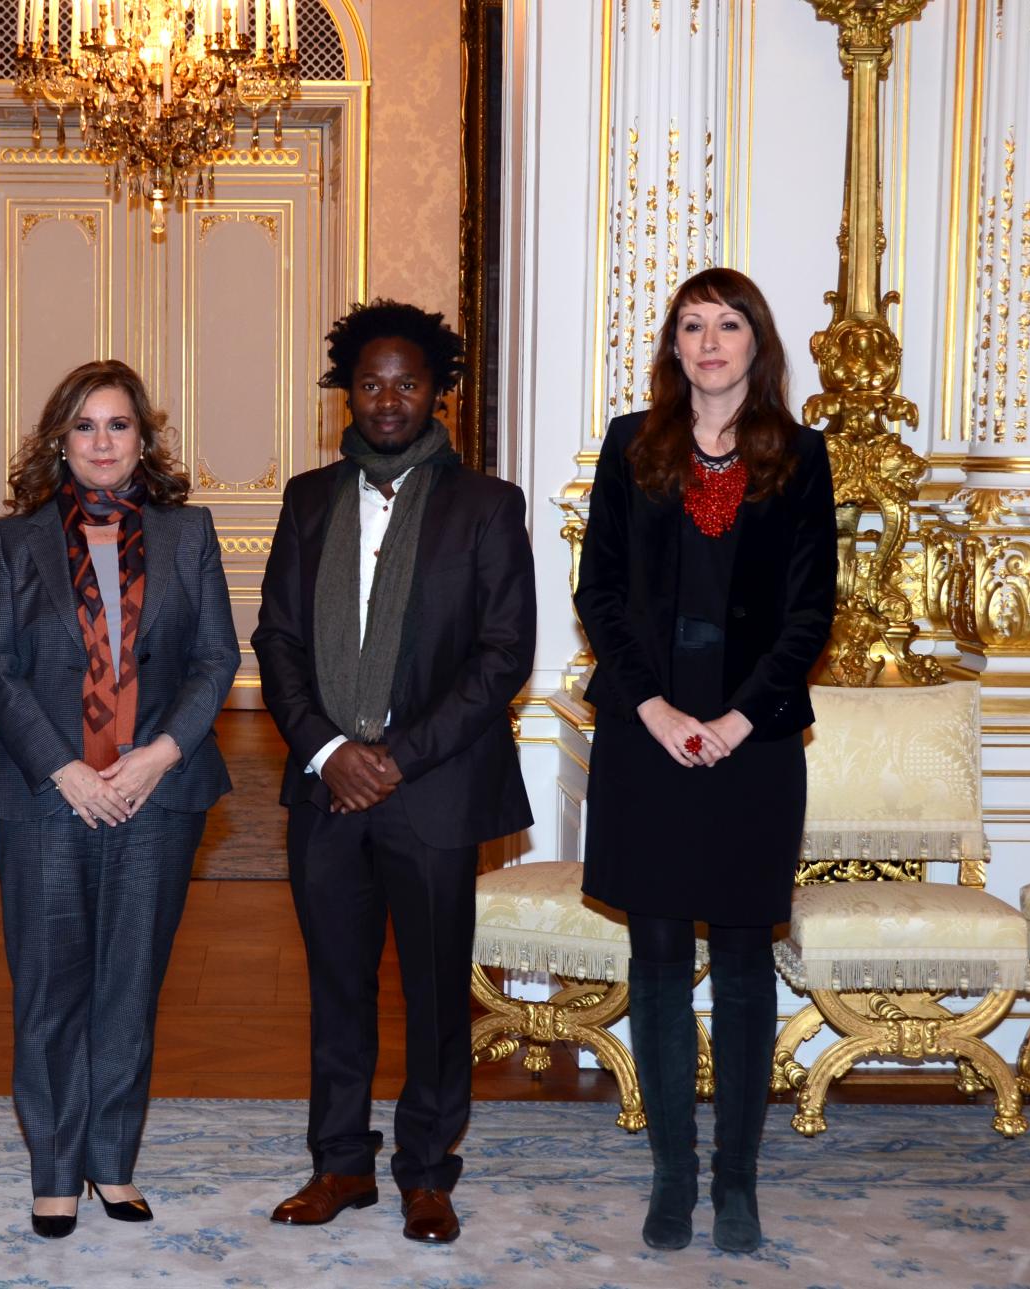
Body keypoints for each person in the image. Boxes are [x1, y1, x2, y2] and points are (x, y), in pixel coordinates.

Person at [254, 301, 537, 1245]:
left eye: (406, 382)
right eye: (370, 382)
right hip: (327, 787)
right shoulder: (306, 498)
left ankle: (426, 1171)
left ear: (437, 390)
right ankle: (340, 1163)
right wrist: (331, 751)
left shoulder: (488, 506)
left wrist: (396, 757)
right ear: (348, 389)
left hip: (436, 789)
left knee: (432, 990)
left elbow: (503, 656)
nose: (387, 399)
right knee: (336, 983)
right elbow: (279, 641)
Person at [574, 266, 837, 1254]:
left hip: (753, 741)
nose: (710, 342)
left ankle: (735, 1181)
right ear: (674, 345)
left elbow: (812, 607)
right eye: (693, 325)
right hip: (645, 737)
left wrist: (732, 720)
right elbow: (599, 588)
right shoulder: (629, 446)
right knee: (652, 955)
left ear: (755, 343)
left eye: (728, 325)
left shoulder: (799, 456)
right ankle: (671, 1174)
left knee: (737, 957)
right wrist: (647, 705)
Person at [0, 359, 238, 1239]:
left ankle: (112, 1161)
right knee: (50, 989)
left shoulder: (188, 533)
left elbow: (215, 659)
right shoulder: (12, 542)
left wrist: (157, 756)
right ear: (60, 439)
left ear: (143, 439)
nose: (102, 443)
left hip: (157, 795)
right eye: (84, 426)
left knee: (129, 985)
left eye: (118, 425)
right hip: (47, 795)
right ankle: (54, 1167)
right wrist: (66, 769)